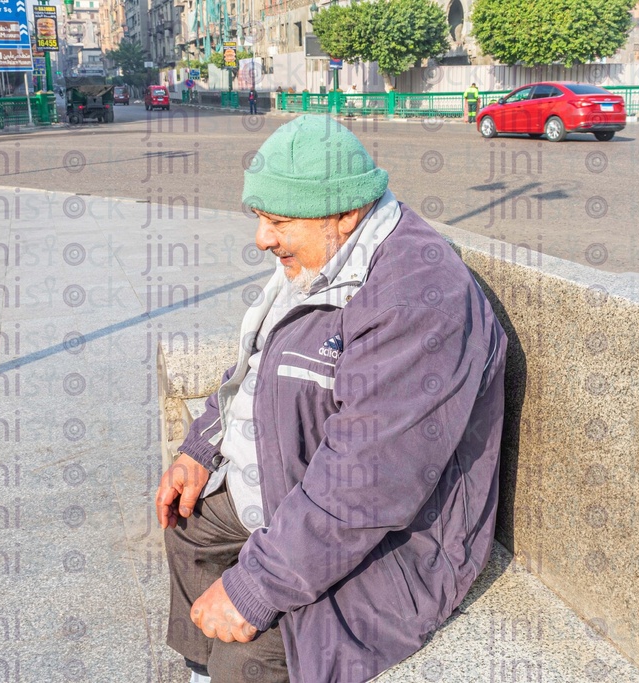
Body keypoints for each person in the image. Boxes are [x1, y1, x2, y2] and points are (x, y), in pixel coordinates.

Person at [157, 115, 508, 683]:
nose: (261, 239)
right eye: (259, 219)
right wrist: (201, 447)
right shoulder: (324, 258)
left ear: (344, 213)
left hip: (393, 540)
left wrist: (253, 589)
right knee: (188, 530)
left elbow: (368, 481)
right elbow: (255, 364)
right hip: (291, 489)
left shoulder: (417, 299)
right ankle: (202, 667)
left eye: (277, 222)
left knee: (251, 660)